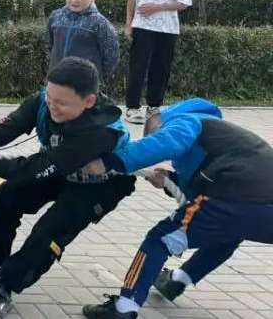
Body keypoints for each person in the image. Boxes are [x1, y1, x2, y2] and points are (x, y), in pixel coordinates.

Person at [0, 57, 136, 319]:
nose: (52, 105)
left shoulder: (101, 131)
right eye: (50, 97)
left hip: (97, 186)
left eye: (61, 102)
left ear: (89, 101)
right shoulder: (44, 101)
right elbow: (7, 127)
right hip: (58, 168)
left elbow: (43, 166)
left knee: (50, 230)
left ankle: (5, 286)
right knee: (7, 196)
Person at [79, 99, 273, 319]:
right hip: (262, 209)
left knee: (158, 240)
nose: (151, 137)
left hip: (232, 197)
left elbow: (165, 143)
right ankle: (176, 280)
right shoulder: (222, 140)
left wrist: (111, 162)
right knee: (228, 233)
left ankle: (124, 308)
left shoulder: (187, 120)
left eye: (152, 132)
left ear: (161, 119)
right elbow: (197, 189)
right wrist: (169, 180)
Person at [122, 0, 193, 124]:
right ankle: (132, 107)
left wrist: (157, 7)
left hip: (168, 28)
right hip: (143, 25)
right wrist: (128, 23)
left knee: (161, 68)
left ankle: (153, 107)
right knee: (138, 66)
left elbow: (184, 2)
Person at [46, 0, 119, 78]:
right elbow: (50, 45)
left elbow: (111, 56)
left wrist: (96, 77)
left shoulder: (100, 23)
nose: (74, 0)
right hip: (56, 80)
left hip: (84, 84)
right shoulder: (55, 17)